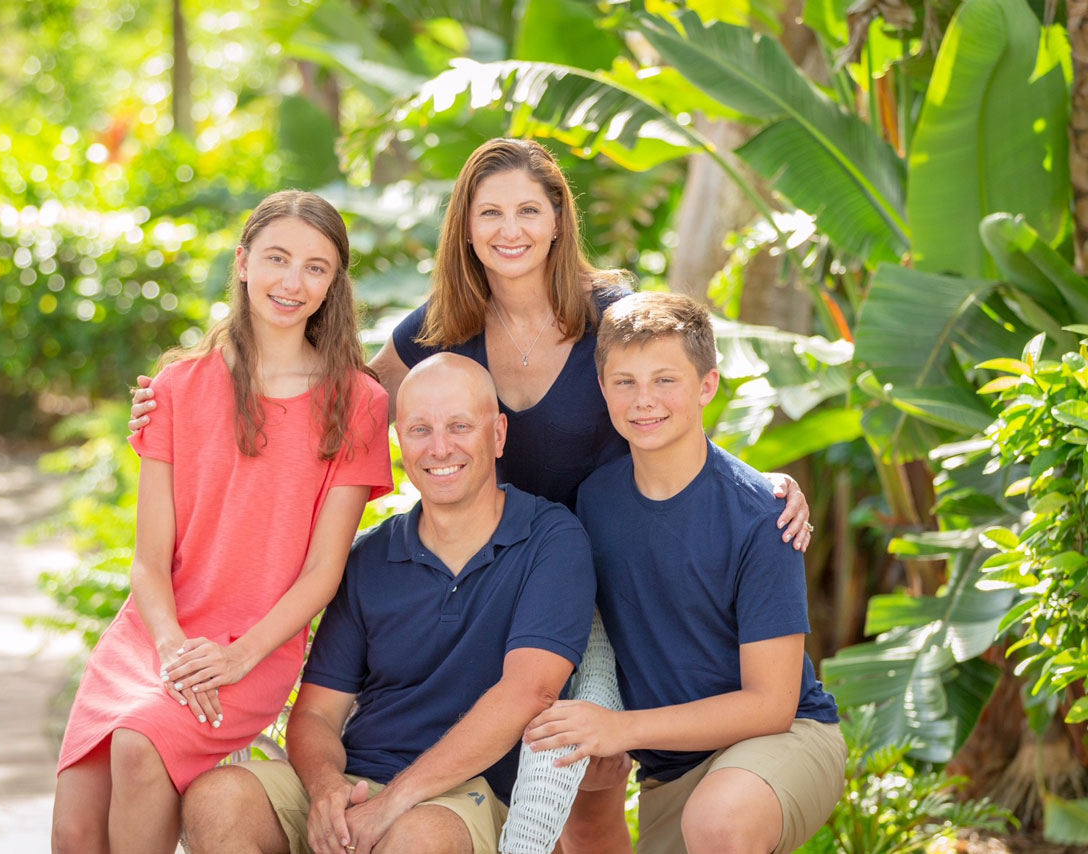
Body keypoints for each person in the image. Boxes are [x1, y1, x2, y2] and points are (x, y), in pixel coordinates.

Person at [127, 138, 815, 849]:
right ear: (466, 225)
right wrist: (185, 405)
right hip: (492, 559)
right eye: (489, 212)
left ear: (558, 220)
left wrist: (757, 483)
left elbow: (666, 393)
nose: (509, 229)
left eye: (527, 210)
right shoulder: (441, 325)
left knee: (595, 786)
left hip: (596, 565)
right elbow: (331, 403)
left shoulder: (610, 316)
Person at [50, 191, 394, 854]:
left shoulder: (357, 403)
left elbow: (323, 573)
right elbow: (148, 563)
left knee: (138, 743)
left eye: (316, 267)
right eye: (277, 258)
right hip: (156, 631)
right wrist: (175, 648)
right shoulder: (177, 388)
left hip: (252, 649)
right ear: (242, 263)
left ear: (334, 284)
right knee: (74, 832)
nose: (293, 282)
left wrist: (233, 658)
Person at [180, 354, 597, 854]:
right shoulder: (370, 556)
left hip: (464, 796)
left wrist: (394, 801)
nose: (439, 447)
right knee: (218, 797)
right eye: (419, 429)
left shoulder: (550, 539)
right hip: (355, 781)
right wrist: (326, 790)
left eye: (459, 426)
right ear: (399, 440)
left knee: (414, 841)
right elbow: (316, 715)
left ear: (499, 434)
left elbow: (529, 692)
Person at [522, 292, 844, 854]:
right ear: (602, 390)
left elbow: (771, 703)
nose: (644, 401)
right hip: (672, 767)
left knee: (719, 823)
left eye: (665, 380)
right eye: (624, 382)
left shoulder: (762, 515)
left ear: (707, 386)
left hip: (782, 737)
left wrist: (622, 729)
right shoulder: (593, 502)